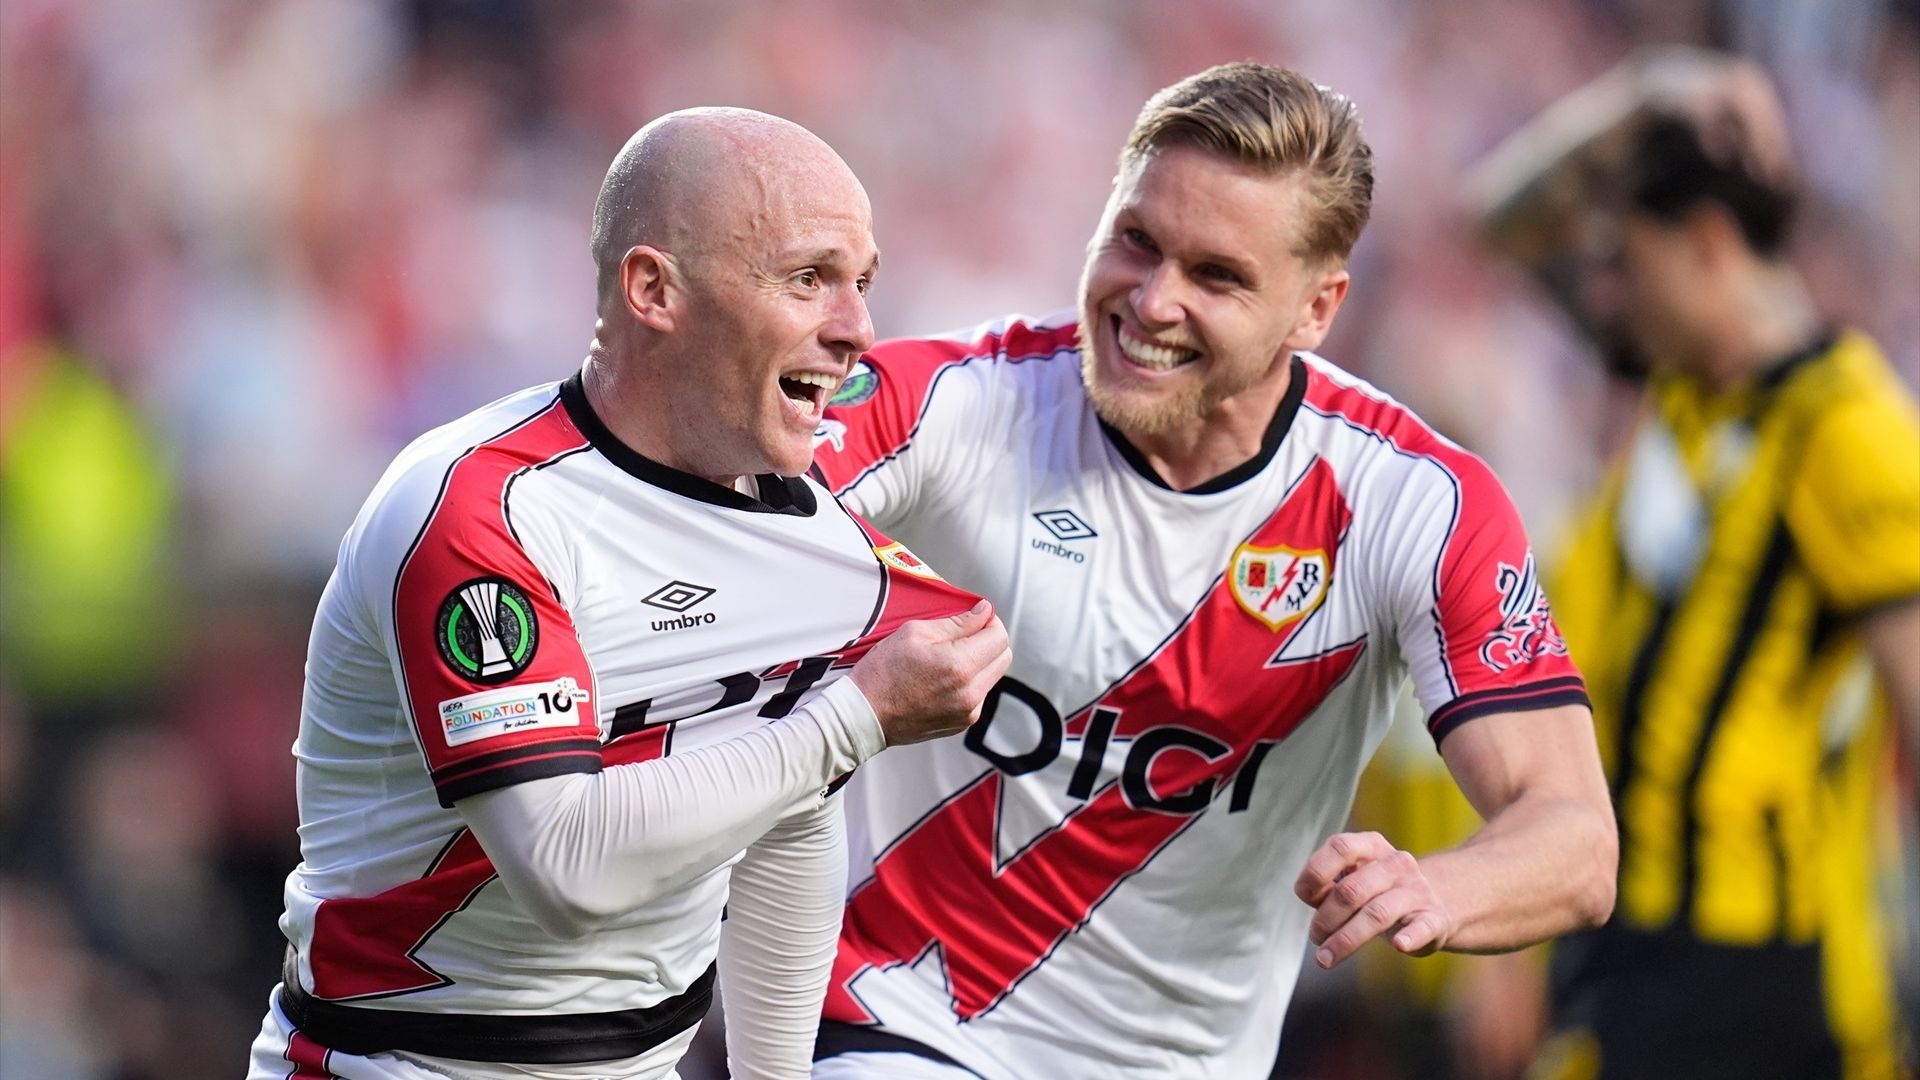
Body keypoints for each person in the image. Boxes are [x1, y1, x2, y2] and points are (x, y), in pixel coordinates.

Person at [806, 62, 1618, 1080]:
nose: (1153, 302)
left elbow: (1575, 838)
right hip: (898, 1021)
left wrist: (1440, 888)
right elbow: (711, 509)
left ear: (1317, 308)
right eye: (1137, 241)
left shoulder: (1415, 507)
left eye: (1217, 276)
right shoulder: (957, 405)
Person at [244, 108, 1013, 1080]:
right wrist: (855, 717)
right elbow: (566, 868)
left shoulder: (814, 536)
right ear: (654, 289)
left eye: (862, 283)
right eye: (808, 278)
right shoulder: (481, 514)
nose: (857, 329)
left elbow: (792, 816)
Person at [1469, 48, 1918, 1080]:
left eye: (1628, 261)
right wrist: (1647, 98)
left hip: (1765, 974)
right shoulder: (1684, 391)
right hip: (1632, 944)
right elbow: (1500, 221)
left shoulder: (1848, 427)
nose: (1608, 293)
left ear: (1709, 243)